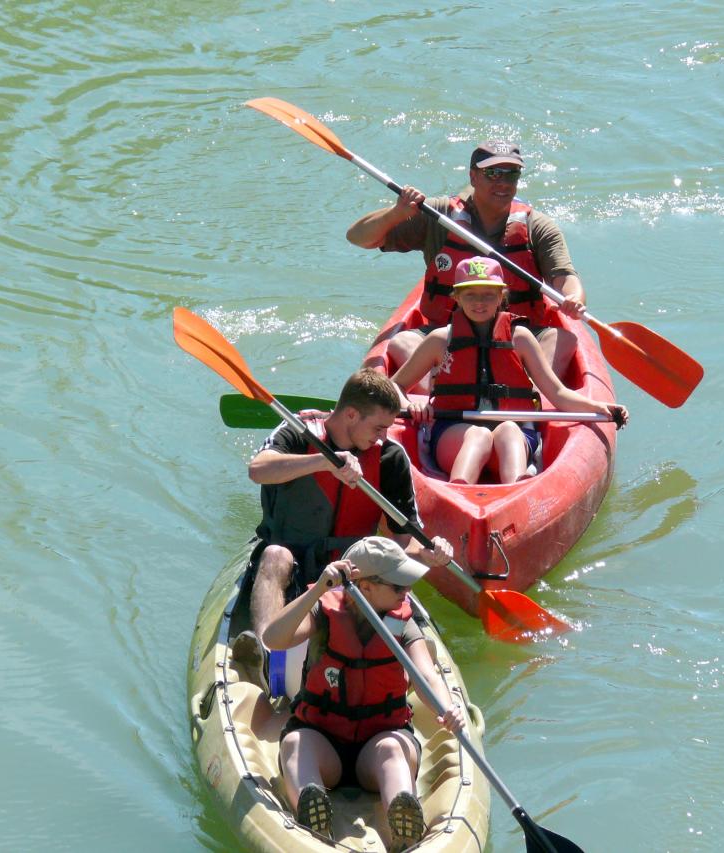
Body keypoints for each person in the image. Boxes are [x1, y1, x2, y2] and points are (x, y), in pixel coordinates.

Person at [232, 368, 452, 692]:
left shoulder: (390, 458)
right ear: (351, 414)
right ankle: (269, 657)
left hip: (352, 573)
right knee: (274, 555)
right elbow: (258, 470)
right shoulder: (298, 432)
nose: (382, 437)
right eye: (378, 427)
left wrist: (430, 554)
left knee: (388, 578)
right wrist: (322, 463)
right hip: (290, 566)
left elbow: (399, 546)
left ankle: (403, 669)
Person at [263, 536, 466, 848]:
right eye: (398, 586)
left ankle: (403, 814)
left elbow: (426, 674)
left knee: (394, 750)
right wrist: (318, 589)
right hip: (324, 739)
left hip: (379, 742)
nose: (406, 591)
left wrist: (447, 708)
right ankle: (312, 808)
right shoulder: (324, 613)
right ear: (365, 586)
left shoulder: (405, 623)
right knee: (294, 742)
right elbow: (273, 639)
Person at [347, 140, 588, 381]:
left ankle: (529, 397)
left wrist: (573, 298)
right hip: (448, 335)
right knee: (403, 342)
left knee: (562, 339)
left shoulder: (537, 225)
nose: (503, 183)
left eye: (511, 174)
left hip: (516, 336)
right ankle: (437, 397)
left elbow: (564, 277)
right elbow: (358, 237)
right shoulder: (439, 215)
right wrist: (396, 213)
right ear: (473, 177)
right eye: (492, 173)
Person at [391, 257, 628, 486]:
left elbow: (557, 393)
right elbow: (395, 385)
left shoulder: (520, 338)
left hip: (513, 431)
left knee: (508, 430)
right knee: (479, 436)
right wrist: (410, 405)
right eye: (470, 295)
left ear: (501, 297)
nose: (479, 302)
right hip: (453, 432)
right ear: (457, 298)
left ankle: (517, 489)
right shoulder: (440, 340)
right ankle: (460, 490)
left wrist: (600, 408)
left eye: (488, 295)